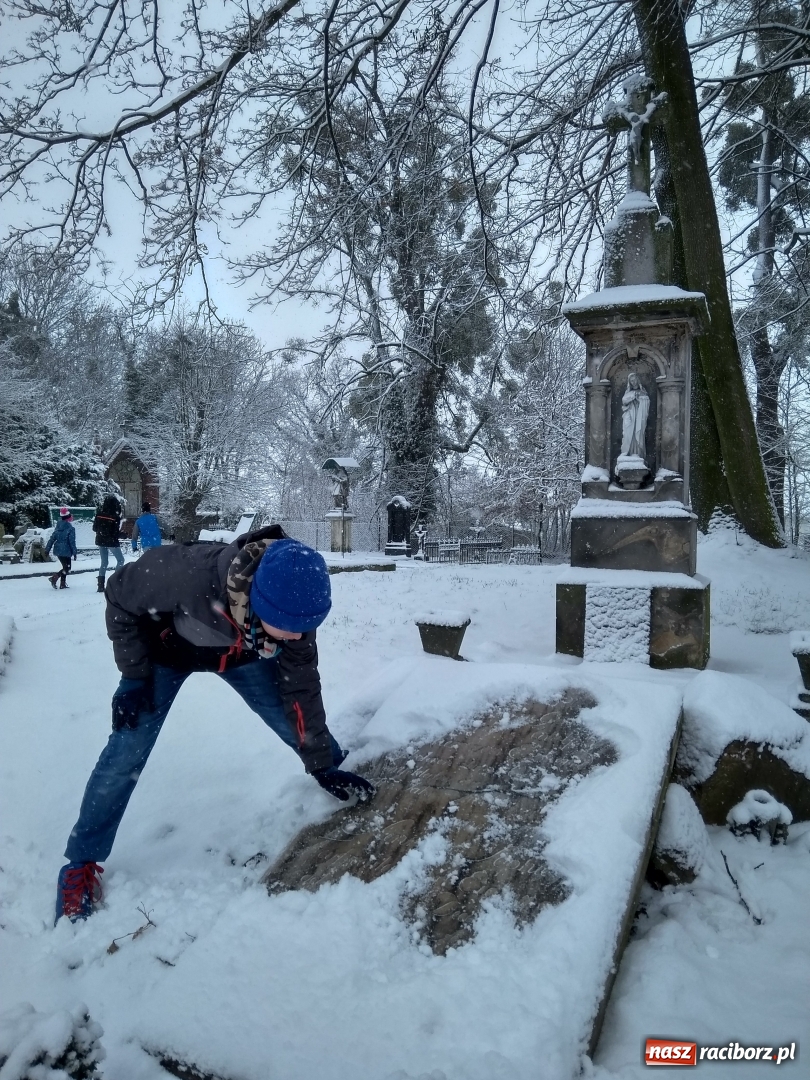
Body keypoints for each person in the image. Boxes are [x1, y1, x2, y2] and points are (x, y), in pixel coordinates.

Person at [55, 525, 374, 922]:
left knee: (286, 714)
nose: (298, 635)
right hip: (164, 656)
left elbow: (302, 690)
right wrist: (135, 677)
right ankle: (80, 864)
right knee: (127, 749)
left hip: (239, 656)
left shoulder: (296, 617)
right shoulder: (182, 575)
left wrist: (321, 762)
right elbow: (119, 595)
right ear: (259, 600)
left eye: (305, 628)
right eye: (289, 626)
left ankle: (331, 764)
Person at [93, 493, 124, 592]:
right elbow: (115, 533)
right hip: (111, 542)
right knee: (120, 560)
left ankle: (100, 585)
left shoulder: (98, 515)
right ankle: (115, 582)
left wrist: (102, 531)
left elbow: (94, 528)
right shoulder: (115, 517)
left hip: (100, 541)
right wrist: (122, 535)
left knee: (104, 562)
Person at [45, 507, 78, 589]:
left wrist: (47, 549)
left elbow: (52, 539)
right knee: (67, 568)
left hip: (58, 550)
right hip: (66, 550)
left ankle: (62, 584)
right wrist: (74, 552)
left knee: (65, 567)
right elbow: (72, 542)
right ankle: (54, 578)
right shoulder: (70, 529)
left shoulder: (57, 528)